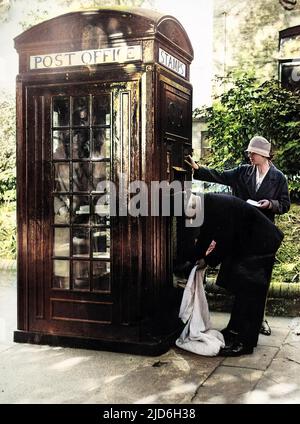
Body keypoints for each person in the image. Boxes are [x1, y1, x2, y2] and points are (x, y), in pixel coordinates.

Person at [185, 135, 290, 336]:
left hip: (262, 235)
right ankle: (243, 320)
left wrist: (270, 204)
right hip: (241, 233)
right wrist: (198, 169)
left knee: (260, 279)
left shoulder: (279, 178)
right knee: (242, 276)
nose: (249, 155)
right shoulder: (242, 171)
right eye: (249, 152)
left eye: (253, 152)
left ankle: (259, 320)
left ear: (264, 155)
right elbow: (220, 175)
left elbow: (284, 204)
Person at [177, 192, 284, 356]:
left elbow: (223, 238)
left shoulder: (214, 206)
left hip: (261, 243)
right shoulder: (207, 204)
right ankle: (234, 329)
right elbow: (206, 236)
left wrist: (207, 260)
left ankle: (245, 343)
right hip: (250, 243)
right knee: (241, 288)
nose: (191, 218)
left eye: (190, 214)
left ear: (193, 205)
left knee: (251, 293)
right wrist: (195, 259)